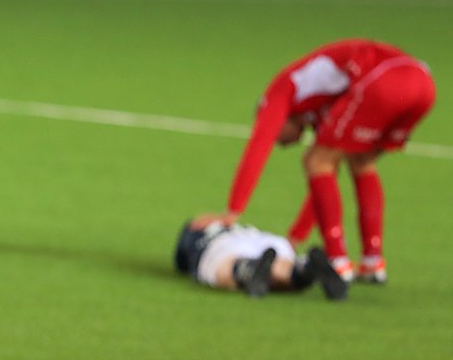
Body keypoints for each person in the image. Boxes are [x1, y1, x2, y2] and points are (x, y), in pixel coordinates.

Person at [198, 39, 436, 284]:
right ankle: (372, 262)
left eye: (279, 135)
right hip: (422, 84)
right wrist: (295, 237)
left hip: (383, 79)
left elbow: (258, 146)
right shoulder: (324, 107)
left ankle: (338, 262)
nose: (281, 143)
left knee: (317, 161)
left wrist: (232, 211)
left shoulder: (281, 90)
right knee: (360, 161)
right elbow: (324, 184)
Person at [174, 218, 349, 300]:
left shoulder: (197, 236)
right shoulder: (231, 224)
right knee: (281, 268)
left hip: (224, 244)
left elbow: (181, 260)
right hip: (262, 237)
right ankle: (304, 269)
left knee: (224, 268)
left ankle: (248, 270)